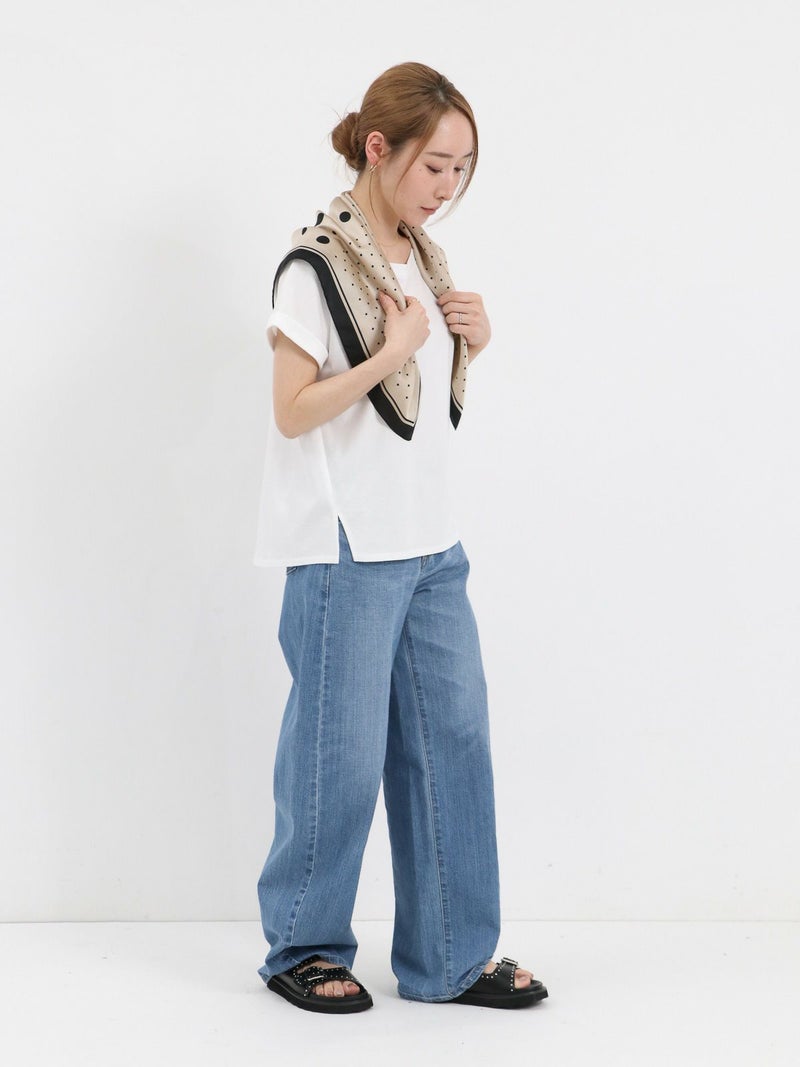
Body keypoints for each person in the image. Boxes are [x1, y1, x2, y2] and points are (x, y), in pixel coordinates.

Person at [253, 61, 548, 1014]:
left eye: (463, 168)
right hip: (345, 546)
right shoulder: (313, 268)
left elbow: (415, 415)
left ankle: (451, 955)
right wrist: (390, 353)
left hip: (431, 544)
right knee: (335, 759)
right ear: (378, 149)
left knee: (451, 743)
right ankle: (303, 946)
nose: (448, 186)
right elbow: (293, 411)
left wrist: (471, 343)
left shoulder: (425, 260)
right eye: (435, 166)